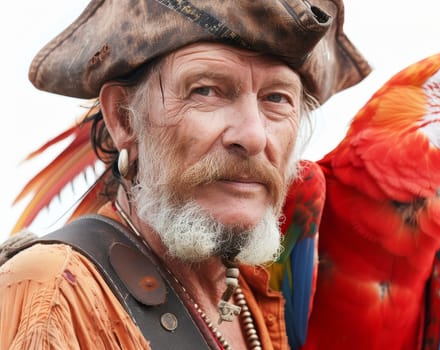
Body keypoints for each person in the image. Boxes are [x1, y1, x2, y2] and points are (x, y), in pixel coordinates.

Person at [0, 0, 370, 349]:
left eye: (277, 98)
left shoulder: (254, 295)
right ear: (124, 119)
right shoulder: (53, 295)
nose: (253, 136)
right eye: (206, 90)